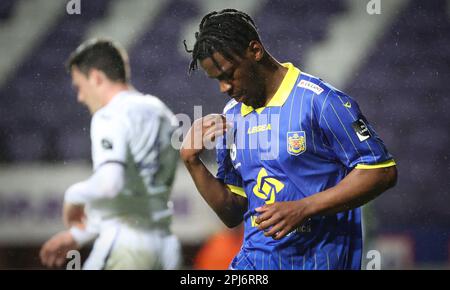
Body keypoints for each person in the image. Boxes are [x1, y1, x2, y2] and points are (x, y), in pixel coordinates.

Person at [180, 9, 397, 270]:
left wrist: (303, 208)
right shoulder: (232, 116)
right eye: (217, 80)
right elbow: (232, 212)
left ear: (255, 50)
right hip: (254, 264)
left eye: (229, 74)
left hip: (318, 261)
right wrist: (192, 161)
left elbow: (381, 171)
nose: (224, 88)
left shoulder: (320, 101)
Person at [39, 39, 181, 270]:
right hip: (166, 247)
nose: (80, 97)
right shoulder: (163, 113)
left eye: (79, 86)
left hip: (126, 247)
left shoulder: (110, 115)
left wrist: (72, 196)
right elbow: (137, 198)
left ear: (95, 77)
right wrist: (80, 235)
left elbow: (110, 185)